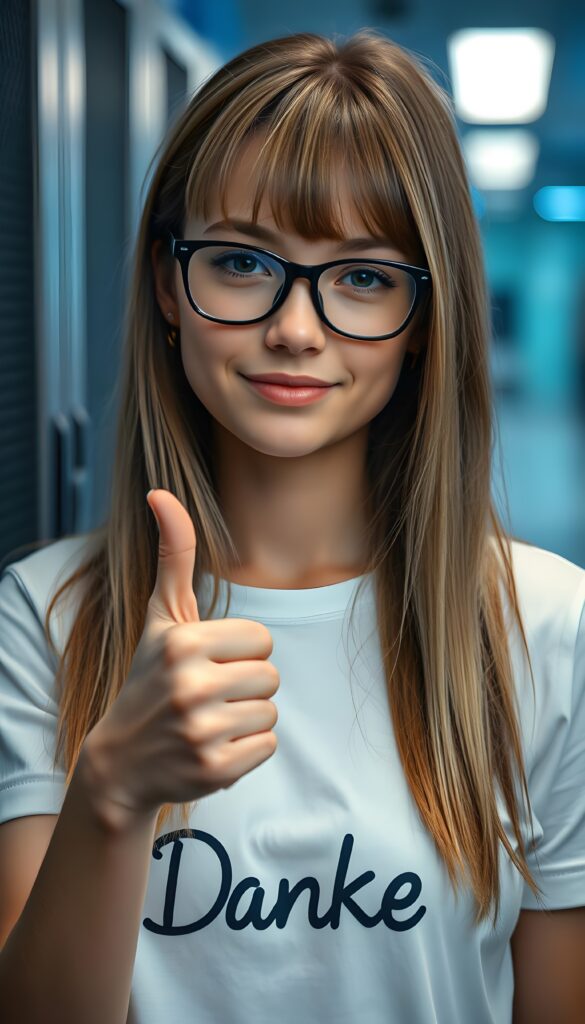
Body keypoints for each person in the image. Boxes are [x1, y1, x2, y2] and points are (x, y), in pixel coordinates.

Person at [0, 27, 584, 1024]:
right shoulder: (49, 610)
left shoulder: (546, 624)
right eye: (240, 261)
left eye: (362, 277)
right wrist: (111, 791)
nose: (297, 328)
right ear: (166, 284)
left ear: (425, 318)